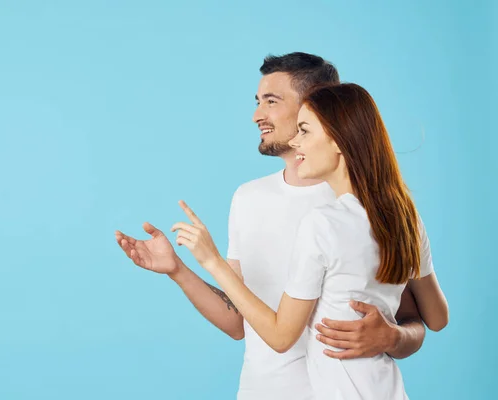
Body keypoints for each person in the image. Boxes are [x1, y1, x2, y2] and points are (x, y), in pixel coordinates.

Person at [115, 53, 429, 400]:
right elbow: (238, 323)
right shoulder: (248, 198)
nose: (256, 115)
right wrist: (178, 270)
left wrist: (395, 337)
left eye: (271, 101)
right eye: (257, 102)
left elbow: (417, 318)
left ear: (317, 106)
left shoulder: (365, 208)